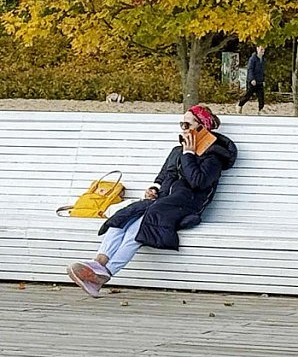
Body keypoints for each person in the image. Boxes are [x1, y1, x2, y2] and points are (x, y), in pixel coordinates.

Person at [66, 105, 238, 297]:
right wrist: (154, 188)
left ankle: (104, 273)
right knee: (122, 217)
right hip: (162, 202)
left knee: (139, 226)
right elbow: (165, 174)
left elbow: (198, 182)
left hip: (185, 206)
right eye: (181, 124)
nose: (182, 128)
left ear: (202, 127)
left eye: (187, 124)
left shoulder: (214, 156)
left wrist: (189, 154)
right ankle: (98, 263)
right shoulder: (177, 150)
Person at [237, 45, 266, 114]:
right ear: (257, 49)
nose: (263, 51)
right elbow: (250, 69)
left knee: (261, 96)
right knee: (248, 95)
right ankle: (240, 105)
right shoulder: (253, 59)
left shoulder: (263, 59)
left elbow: (263, 71)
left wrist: (263, 80)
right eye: (261, 49)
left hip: (260, 81)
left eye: (264, 49)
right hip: (252, 81)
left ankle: (260, 110)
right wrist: (252, 79)